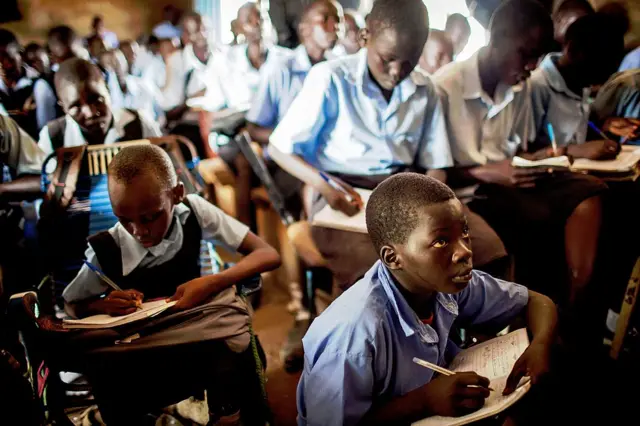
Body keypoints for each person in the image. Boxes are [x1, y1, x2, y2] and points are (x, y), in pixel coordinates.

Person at [269, 0, 507, 372]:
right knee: (387, 267)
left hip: (406, 190)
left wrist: (426, 208)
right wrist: (323, 186)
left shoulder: (426, 89)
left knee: (488, 249)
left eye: (409, 61)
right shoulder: (330, 78)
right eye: (387, 59)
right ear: (365, 36)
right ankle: (384, 365)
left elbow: (437, 168)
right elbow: (279, 148)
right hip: (342, 195)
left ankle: (466, 349)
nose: (397, 71)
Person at [297, 173, 558, 425]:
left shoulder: (445, 282)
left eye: (464, 232)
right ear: (392, 258)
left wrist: (541, 344)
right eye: (441, 241)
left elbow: (536, 301)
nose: (465, 251)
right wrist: (423, 401)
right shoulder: (353, 336)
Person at [60, 144, 280, 425]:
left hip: (193, 339)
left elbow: (268, 254)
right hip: (143, 353)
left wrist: (213, 281)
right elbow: (71, 304)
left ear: (176, 194)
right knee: (108, 375)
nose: (139, 231)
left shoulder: (194, 211)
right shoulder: (106, 248)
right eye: (124, 220)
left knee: (237, 353)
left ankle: (233, 416)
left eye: (150, 217)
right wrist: (100, 303)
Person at [434, 0, 606, 317]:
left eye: (538, 57)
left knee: (589, 190)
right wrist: (486, 172)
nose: (532, 66)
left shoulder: (520, 87)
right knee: (536, 219)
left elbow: (518, 150)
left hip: (507, 181)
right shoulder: (444, 87)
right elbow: (431, 175)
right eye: (525, 54)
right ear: (496, 38)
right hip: (466, 191)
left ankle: (572, 308)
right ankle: (526, 318)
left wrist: (535, 162)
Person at [528, 13, 625, 156]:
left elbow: (574, 133)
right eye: (597, 70)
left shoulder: (579, 82)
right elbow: (522, 156)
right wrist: (573, 151)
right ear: (572, 50)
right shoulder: (537, 86)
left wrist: (604, 127)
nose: (598, 83)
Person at [37, 58, 161, 157]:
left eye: (97, 100)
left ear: (108, 90)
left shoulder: (138, 122)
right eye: (76, 107)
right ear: (63, 107)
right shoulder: (53, 137)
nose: (90, 113)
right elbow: (42, 181)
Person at [0, 30, 57, 137]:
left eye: (7, 58)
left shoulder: (38, 86)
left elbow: (46, 132)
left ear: (20, 55)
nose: (2, 65)